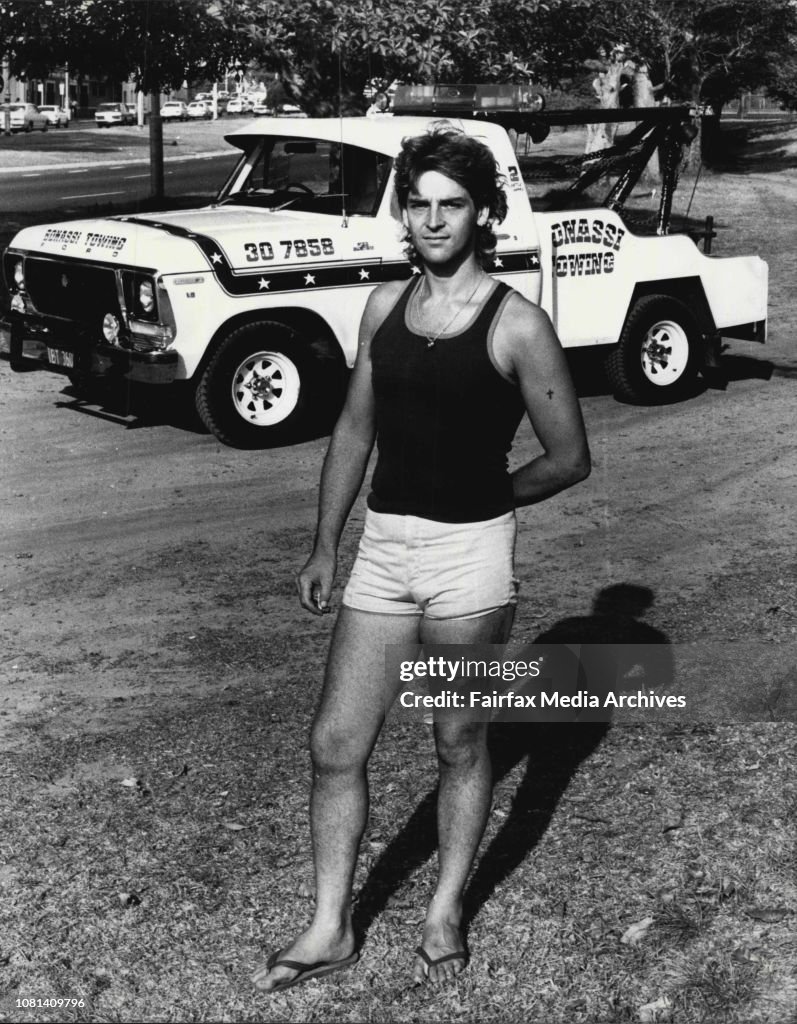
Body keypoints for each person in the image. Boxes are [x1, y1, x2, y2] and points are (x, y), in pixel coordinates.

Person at [252, 125, 591, 993]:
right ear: (403, 212)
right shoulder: (381, 307)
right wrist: (327, 542)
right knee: (335, 744)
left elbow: (567, 457)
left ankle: (443, 908)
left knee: (456, 740)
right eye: (419, 203)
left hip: (467, 562)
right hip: (382, 551)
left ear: (482, 214)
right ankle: (330, 926)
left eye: (451, 205)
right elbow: (354, 428)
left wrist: (485, 499)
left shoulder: (516, 323)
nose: (433, 220)